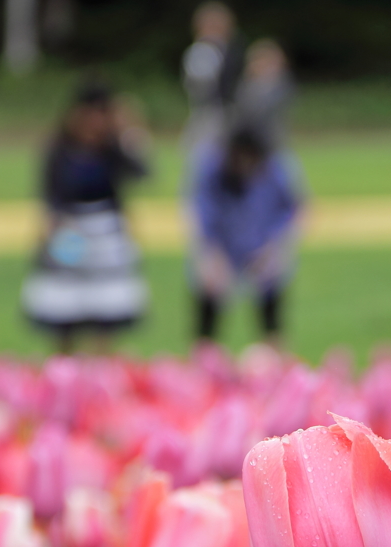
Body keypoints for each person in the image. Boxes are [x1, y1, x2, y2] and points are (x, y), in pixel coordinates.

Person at [21, 82, 151, 354]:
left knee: (105, 313)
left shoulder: (111, 148)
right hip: (69, 229)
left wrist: (130, 131)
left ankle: (100, 373)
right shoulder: (61, 148)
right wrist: (49, 222)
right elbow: (50, 191)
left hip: (106, 232)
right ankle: (65, 371)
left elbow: (142, 173)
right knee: (64, 311)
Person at [189, 127, 301, 346]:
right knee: (209, 292)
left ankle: (274, 356)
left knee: (270, 299)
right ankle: (203, 358)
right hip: (223, 244)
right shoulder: (212, 168)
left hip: (263, 245)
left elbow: (292, 209)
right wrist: (213, 254)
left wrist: (272, 246)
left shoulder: (277, 168)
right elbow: (203, 214)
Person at [181, 2, 246, 153]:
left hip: (229, 111)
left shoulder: (232, 52)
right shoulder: (201, 51)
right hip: (208, 111)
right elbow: (198, 86)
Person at [231, 39, 295, 151]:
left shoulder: (280, 83)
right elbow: (242, 108)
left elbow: (271, 106)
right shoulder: (246, 85)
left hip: (272, 139)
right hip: (249, 140)